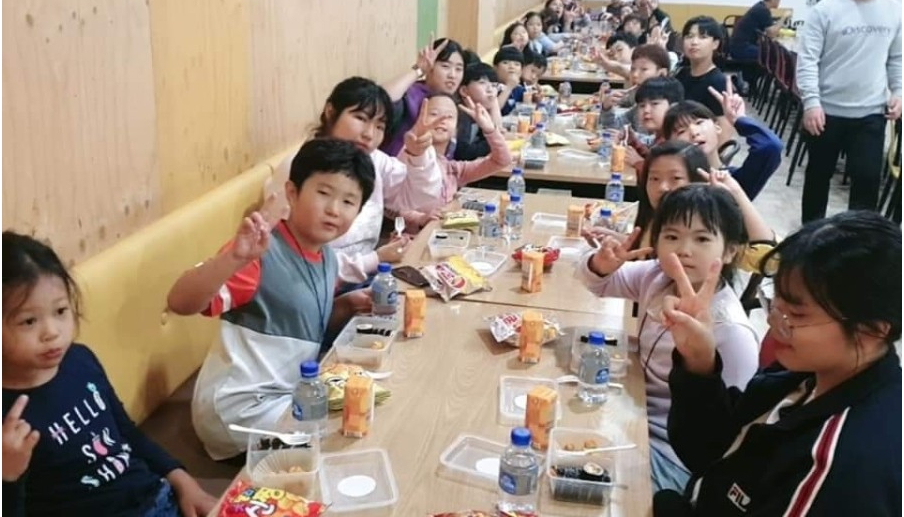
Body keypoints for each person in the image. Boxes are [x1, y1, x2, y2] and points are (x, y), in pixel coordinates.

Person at [654, 210, 901, 516]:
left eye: (796, 315)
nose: (773, 320)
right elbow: (710, 451)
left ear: (871, 330)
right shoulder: (803, 373)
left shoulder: (837, 468)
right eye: (775, 302)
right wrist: (698, 361)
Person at [166, 139, 376, 460]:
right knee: (348, 430)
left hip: (287, 394)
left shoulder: (327, 259)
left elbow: (303, 324)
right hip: (239, 408)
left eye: (349, 201)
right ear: (292, 192)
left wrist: (347, 305)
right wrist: (234, 258)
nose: (335, 209)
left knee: (364, 406)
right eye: (324, 193)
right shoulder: (259, 252)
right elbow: (180, 302)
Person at [2, 232, 217, 516]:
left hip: (160, 499)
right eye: (29, 321)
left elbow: (127, 434)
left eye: (61, 311)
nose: (52, 332)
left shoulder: (80, 360)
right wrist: (7, 477)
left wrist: (186, 484)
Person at [576, 184, 760, 492]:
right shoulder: (656, 276)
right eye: (672, 237)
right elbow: (600, 284)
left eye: (702, 239)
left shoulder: (733, 332)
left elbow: (730, 437)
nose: (684, 250)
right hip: (630, 411)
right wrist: (601, 265)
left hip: (672, 454)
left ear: (730, 250)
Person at [305, 77, 446, 286]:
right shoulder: (305, 168)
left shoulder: (373, 160)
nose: (369, 134)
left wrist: (418, 154)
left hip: (366, 275)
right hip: (324, 286)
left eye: (379, 126)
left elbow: (418, 197)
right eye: (360, 118)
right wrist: (376, 259)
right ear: (330, 112)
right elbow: (300, 262)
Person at [797, 0, 902, 223]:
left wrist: (899, 91)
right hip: (826, 112)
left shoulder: (894, 10)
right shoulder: (824, 10)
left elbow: (897, 58)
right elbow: (807, 60)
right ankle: (811, 233)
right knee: (818, 177)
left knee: (867, 181)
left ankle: (860, 238)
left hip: (871, 113)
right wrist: (811, 102)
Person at [392, 94, 513, 232]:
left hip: (446, 236)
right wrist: (420, 218)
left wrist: (489, 129)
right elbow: (392, 204)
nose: (442, 119)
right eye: (434, 114)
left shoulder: (454, 170)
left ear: (456, 130)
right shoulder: (409, 156)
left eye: (449, 116)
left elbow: (502, 160)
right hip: (414, 238)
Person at [662, 80, 782, 200]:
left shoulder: (731, 183)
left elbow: (770, 146)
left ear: (717, 127)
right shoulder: (666, 184)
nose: (694, 133)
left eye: (699, 122)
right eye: (681, 131)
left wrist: (739, 120)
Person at [380, 37, 466, 156]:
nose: (453, 75)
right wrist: (419, 69)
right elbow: (381, 98)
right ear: (431, 67)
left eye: (459, 69)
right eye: (445, 66)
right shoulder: (410, 95)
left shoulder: (458, 105)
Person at [599, 44, 672, 147]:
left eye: (644, 69)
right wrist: (607, 108)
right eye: (633, 69)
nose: (635, 75)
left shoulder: (668, 105)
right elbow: (613, 127)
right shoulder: (640, 105)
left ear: (662, 73)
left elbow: (658, 142)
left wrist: (628, 136)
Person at [674, 16, 734, 142]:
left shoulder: (718, 82)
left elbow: (724, 134)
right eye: (689, 36)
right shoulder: (682, 74)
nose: (694, 42)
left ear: (715, 44)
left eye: (703, 37)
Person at [728, 0, 789, 88]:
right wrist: (784, 17)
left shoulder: (760, 7)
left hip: (738, 46)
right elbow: (771, 33)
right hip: (741, 48)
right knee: (775, 57)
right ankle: (750, 82)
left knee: (772, 55)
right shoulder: (763, 10)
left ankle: (747, 80)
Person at [455, 63, 503, 161]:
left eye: (494, 85)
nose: (490, 89)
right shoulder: (461, 114)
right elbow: (463, 153)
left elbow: (496, 132)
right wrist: (494, 140)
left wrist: (493, 102)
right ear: (464, 91)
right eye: (482, 83)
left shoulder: (480, 110)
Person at [493, 46, 524, 116]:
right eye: (505, 62)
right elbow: (493, 110)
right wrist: (509, 87)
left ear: (521, 71)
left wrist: (536, 99)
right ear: (495, 68)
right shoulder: (491, 87)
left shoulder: (520, 89)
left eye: (517, 64)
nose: (512, 67)